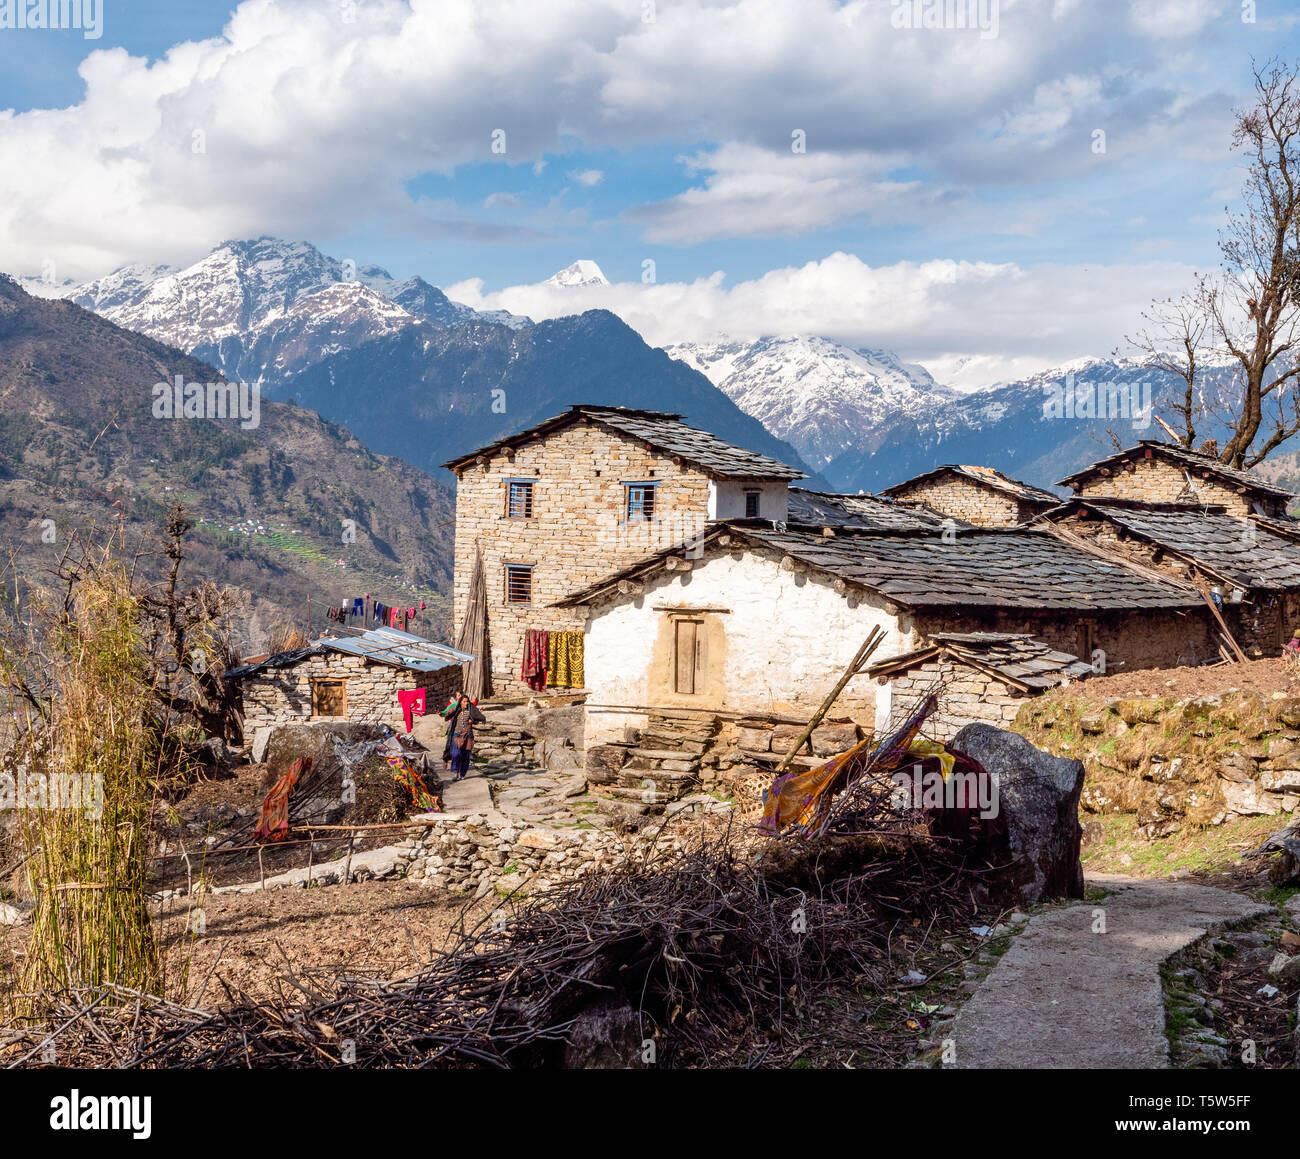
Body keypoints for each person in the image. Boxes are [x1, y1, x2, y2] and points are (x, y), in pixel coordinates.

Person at [443, 692, 485, 781]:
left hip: (468, 737)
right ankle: (455, 773)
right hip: (456, 736)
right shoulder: (456, 709)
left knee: (465, 756)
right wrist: (446, 712)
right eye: (464, 701)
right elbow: (447, 715)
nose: (466, 703)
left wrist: (473, 720)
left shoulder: (471, 711)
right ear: (461, 702)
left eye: (467, 701)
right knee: (456, 754)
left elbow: (476, 720)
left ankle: (462, 773)